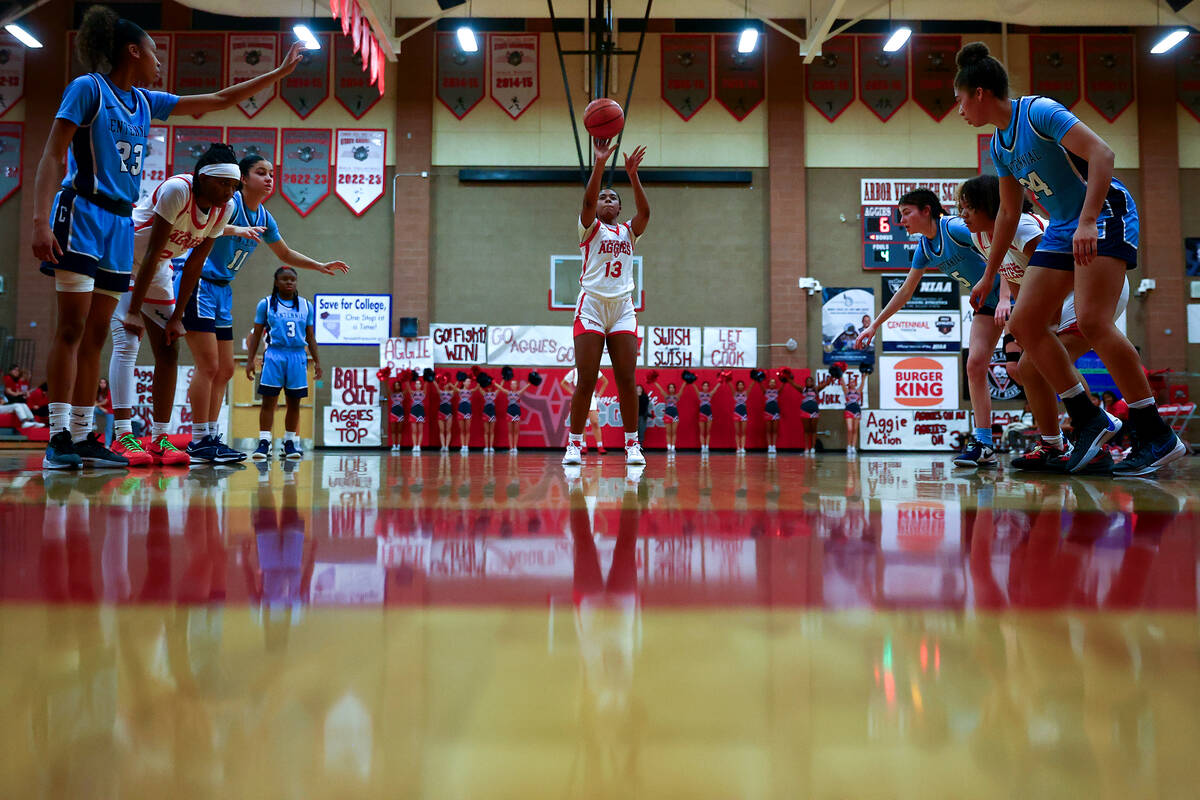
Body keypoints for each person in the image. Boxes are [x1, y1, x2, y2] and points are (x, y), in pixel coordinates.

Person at [32, 5, 303, 470]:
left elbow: (218, 99)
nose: (159, 63)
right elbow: (54, 153)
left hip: (118, 224)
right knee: (73, 328)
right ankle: (59, 438)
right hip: (82, 210)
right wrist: (40, 220)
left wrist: (276, 74)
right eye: (155, 53)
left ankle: (82, 435)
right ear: (133, 50)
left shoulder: (145, 102)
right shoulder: (88, 89)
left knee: (98, 332)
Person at [954, 41, 1183, 477]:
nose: (959, 109)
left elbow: (1103, 155)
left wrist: (1087, 220)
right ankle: (1089, 419)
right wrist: (987, 276)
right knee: (1024, 323)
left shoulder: (1038, 111)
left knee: (1094, 322)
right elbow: (1006, 213)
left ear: (979, 92)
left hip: (1103, 212)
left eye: (960, 99)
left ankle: (1155, 433)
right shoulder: (1000, 147)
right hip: (1061, 225)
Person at [180, 153, 350, 463]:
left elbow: (284, 252)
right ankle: (198, 439)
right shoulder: (230, 205)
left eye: (271, 173)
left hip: (222, 290)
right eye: (261, 172)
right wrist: (234, 230)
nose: (269, 178)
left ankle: (210, 436)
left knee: (226, 368)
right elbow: (200, 228)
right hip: (199, 283)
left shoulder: (264, 217)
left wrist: (319, 265)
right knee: (208, 366)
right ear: (242, 179)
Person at [957, 173, 1129, 472]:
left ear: (988, 205)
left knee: (1038, 364)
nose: (962, 214)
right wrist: (1028, 324)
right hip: (1057, 294)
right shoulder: (980, 236)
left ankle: (1097, 436)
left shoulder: (1022, 225)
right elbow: (1022, 280)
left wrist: (1043, 326)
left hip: (1086, 287)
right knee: (1028, 368)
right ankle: (1053, 445)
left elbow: (1055, 271)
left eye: (968, 206)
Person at [109, 144, 246, 467]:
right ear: (201, 177)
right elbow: (153, 248)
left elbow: (195, 264)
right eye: (223, 183)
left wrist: (177, 317)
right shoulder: (176, 190)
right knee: (128, 341)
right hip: (124, 258)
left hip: (158, 268)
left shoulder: (224, 209)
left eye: (233, 186)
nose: (229, 192)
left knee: (169, 348)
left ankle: (159, 438)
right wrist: (133, 310)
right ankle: (123, 435)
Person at [855, 188, 1004, 469]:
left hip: (1014, 292)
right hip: (987, 303)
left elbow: (1005, 246)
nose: (902, 221)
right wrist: (874, 325)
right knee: (975, 365)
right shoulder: (924, 248)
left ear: (926, 210)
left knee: (1030, 365)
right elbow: (905, 292)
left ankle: (1066, 434)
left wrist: (1006, 294)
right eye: (900, 215)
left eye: (906, 213)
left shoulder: (955, 228)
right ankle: (984, 444)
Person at [562, 138, 649, 467]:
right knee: (586, 379)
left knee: (627, 378)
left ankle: (631, 446)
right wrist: (599, 163)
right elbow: (586, 200)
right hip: (593, 306)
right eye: (603, 197)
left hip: (623, 307)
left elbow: (646, 212)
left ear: (619, 207)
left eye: (613, 197)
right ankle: (574, 444)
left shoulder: (629, 231)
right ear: (596, 207)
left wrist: (633, 174)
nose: (607, 199)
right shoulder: (589, 227)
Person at [245, 267, 320, 460]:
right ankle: (264, 442)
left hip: (297, 356)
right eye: (285, 279)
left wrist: (317, 361)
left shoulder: (306, 305)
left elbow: (311, 337)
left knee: (294, 402)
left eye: (293, 280)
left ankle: (289, 442)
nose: (289, 283)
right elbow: (255, 335)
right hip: (274, 355)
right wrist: (250, 360)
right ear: (276, 282)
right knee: (268, 402)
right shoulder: (266, 304)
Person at [562, 366, 607, 455]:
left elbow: (605, 381)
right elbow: (563, 383)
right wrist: (573, 393)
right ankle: (583, 446)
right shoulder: (574, 372)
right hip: (579, 399)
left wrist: (600, 393)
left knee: (595, 421)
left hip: (591, 398)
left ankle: (600, 445)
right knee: (581, 423)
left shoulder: (594, 369)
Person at [783, 373, 827, 457]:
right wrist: (787, 377)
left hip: (814, 411)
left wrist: (833, 375)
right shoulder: (802, 389)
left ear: (813, 382)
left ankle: (813, 448)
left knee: (813, 430)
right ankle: (807, 448)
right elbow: (793, 384)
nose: (809, 382)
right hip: (804, 410)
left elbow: (826, 383)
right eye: (808, 381)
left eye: (811, 381)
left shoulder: (816, 389)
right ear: (805, 383)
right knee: (806, 431)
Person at [501, 369, 529, 454]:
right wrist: (503, 379)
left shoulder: (519, 393)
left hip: (517, 412)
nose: (513, 385)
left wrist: (531, 381)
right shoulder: (508, 393)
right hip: (510, 412)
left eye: (514, 384)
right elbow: (500, 388)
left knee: (516, 431)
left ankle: (515, 447)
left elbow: (527, 386)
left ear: (516, 385)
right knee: (510, 431)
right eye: (511, 384)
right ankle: (511, 447)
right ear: (510, 386)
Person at [651, 376, 680, 455]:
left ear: (674, 389)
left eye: (673, 387)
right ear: (668, 389)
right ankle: (669, 447)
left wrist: (686, 381)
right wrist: (655, 382)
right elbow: (660, 389)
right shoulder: (666, 396)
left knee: (674, 432)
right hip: (667, 415)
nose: (671, 389)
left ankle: (673, 448)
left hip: (675, 416)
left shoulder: (677, 396)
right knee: (668, 432)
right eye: (670, 387)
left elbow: (682, 389)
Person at [405, 372, 432, 454]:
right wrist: (406, 378)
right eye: (416, 384)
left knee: (420, 430)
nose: (417, 385)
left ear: (421, 385)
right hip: (413, 412)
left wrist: (427, 378)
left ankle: (418, 445)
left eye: (419, 384)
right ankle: (414, 445)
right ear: (414, 385)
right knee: (414, 430)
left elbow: (426, 384)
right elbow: (408, 386)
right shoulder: (412, 393)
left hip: (421, 412)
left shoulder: (423, 392)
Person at [756, 372, 782, 456]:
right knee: (768, 430)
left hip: (775, 411)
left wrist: (785, 378)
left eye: (774, 382)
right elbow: (760, 385)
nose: (772, 383)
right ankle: (769, 446)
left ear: (775, 384)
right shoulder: (766, 391)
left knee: (774, 430)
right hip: (768, 411)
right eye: (771, 382)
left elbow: (783, 385)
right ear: (768, 384)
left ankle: (773, 446)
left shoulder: (777, 391)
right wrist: (759, 379)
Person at [688, 377, 715, 454]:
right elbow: (694, 387)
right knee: (702, 431)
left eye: (707, 386)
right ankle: (703, 447)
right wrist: (691, 379)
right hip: (702, 413)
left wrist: (722, 379)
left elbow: (716, 387)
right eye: (704, 386)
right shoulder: (700, 394)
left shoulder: (710, 394)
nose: (706, 387)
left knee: (708, 431)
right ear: (702, 387)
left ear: (708, 387)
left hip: (709, 414)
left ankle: (707, 446)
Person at [841, 370, 862, 456]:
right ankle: (848, 446)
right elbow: (842, 382)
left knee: (855, 429)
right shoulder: (846, 391)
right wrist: (840, 374)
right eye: (850, 382)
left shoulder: (858, 391)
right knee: (849, 429)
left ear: (855, 384)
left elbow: (863, 382)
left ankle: (853, 446)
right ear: (848, 384)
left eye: (853, 382)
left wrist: (864, 375)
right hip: (849, 410)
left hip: (857, 410)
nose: (852, 383)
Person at [478, 375, 501, 454]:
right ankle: (486, 446)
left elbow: (500, 387)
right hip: (486, 412)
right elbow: (479, 388)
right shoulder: (485, 394)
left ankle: (491, 447)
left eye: (490, 386)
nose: (489, 387)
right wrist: (479, 379)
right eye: (488, 386)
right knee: (486, 431)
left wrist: (502, 380)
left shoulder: (494, 394)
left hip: (492, 413)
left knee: (491, 431)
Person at [387, 371, 407, 452]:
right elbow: (387, 388)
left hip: (400, 413)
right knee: (393, 431)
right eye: (395, 385)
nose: (397, 386)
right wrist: (386, 380)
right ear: (394, 387)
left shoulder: (402, 394)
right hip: (393, 412)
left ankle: (398, 445)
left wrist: (406, 379)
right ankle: (393, 445)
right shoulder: (392, 394)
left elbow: (407, 389)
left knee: (399, 430)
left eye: (398, 385)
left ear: (400, 386)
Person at [455, 373, 476, 454]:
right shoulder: (460, 391)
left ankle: (466, 446)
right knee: (462, 430)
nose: (469, 383)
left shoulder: (470, 391)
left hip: (468, 411)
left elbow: (477, 387)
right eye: (467, 382)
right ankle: (462, 445)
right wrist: (458, 380)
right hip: (461, 410)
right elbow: (454, 388)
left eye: (470, 382)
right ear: (463, 383)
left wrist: (476, 379)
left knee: (467, 430)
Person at [435, 374, 455, 452]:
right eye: (445, 383)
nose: (446, 385)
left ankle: (447, 446)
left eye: (447, 383)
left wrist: (450, 384)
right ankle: (443, 446)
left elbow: (456, 389)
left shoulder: (451, 392)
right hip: (441, 411)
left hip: (449, 412)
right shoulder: (441, 392)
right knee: (442, 430)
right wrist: (434, 379)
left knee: (448, 430)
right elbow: (436, 386)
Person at [730, 378, 749, 455]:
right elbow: (730, 385)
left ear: (743, 386)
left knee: (743, 432)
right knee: (737, 432)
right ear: (737, 386)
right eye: (739, 385)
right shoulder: (735, 393)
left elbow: (751, 386)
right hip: (737, 413)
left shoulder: (746, 393)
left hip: (744, 413)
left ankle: (743, 447)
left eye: (742, 384)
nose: (740, 386)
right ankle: (738, 447)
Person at [94, 378, 114, 445]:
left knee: (108, 428)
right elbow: (95, 401)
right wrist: (101, 408)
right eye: (101, 383)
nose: (102, 384)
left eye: (104, 383)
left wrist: (97, 405)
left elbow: (105, 401)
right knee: (92, 409)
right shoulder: (97, 392)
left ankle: (107, 445)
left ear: (106, 384)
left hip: (110, 411)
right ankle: (93, 423)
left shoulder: (108, 391)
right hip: (102, 410)